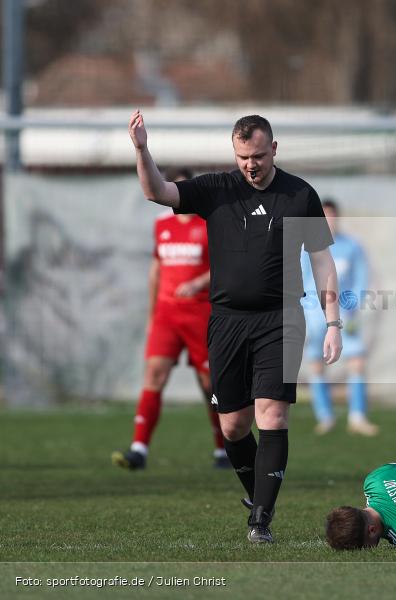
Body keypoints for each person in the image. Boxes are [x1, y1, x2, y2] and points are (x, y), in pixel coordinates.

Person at [128, 111, 343, 544]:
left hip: (281, 319)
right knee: (232, 427)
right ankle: (260, 494)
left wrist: (334, 321)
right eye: (243, 156)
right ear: (234, 153)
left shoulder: (300, 194)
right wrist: (141, 149)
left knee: (273, 414)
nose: (251, 164)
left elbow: (322, 261)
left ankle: (260, 520)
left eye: (259, 155)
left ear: (274, 150)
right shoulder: (216, 190)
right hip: (226, 322)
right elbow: (156, 191)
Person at [112, 167, 227, 470]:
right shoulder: (162, 225)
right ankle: (139, 448)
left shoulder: (208, 225)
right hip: (166, 314)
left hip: (201, 313)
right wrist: (152, 315)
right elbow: (155, 271)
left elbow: (226, 268)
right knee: (154, 375)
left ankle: (223, 449)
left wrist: (198, 283)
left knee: (209, 384)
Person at [300, 199, 377, 436]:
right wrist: (303, 310)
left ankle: (357, 417)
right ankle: (325, 417)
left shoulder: (352, 246)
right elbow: (300, 280)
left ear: (337, 217)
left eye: (331, 216)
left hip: (343, 315)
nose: (328, 221)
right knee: (316, 363)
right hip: (314, 316)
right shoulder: (307, 248)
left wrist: (352, 307)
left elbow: (361, 279)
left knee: (357, 361)